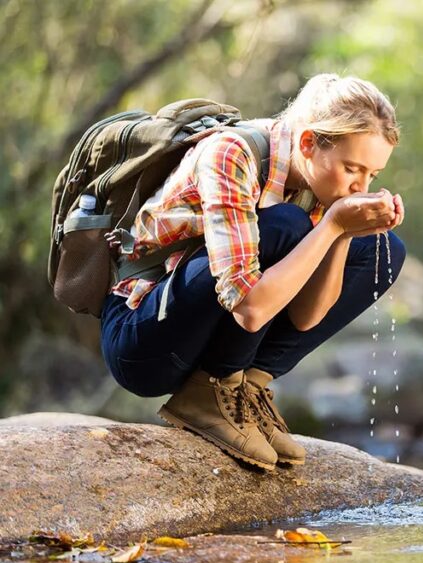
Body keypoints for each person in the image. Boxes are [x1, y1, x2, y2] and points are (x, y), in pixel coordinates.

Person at [100, 74, 405, 471]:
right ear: (309, 142)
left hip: (204, 328)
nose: (360, 186)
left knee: (382, 250)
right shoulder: (231, 153)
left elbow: (306, 318)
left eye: (372, 177)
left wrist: (344, 233)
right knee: (288, 226)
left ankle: (247, 389)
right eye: (352, 169)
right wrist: (329, 226)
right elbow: (251, 310)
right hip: (143, 340)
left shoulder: (313, 182)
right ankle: (212, 390)